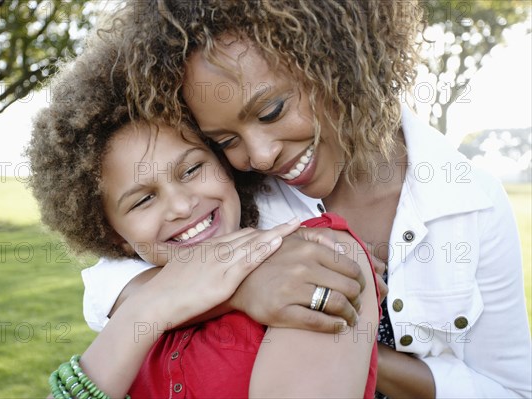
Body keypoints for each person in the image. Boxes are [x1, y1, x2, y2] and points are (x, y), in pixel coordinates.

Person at [84, 0, 532, 397]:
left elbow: (508, 388)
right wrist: (242, 289)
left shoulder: (471, 203)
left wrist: (353, 339)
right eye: (224, 140)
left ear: (338, 62)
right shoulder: (236, 195)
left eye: (272, 110)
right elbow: (108, 284)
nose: (259, 155)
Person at [28, 32, 381, 398]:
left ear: (224, 164)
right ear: (113, 235)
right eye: (143, 200)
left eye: (192, 170)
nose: (182, 206)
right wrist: (148, 309)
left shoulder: (314, 256)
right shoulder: (137, 306)